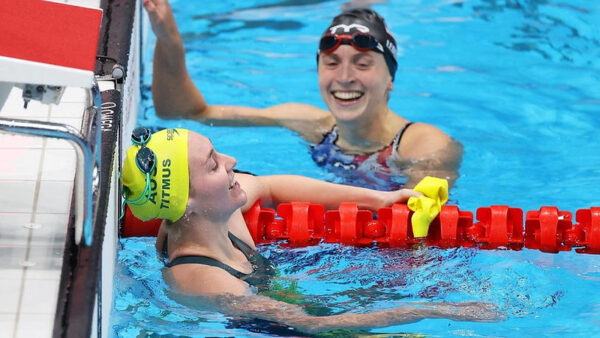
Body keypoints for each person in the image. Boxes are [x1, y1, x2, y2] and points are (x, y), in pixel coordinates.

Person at [121, 127, 499, 334]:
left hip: (285, 301)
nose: (232, 162)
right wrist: (434, 309)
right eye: (213, 165)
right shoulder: (202, 278)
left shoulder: (218, 210)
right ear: (186, 202)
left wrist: (378, 200)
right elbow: (313, 325)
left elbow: (271, 185)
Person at [142, 0, 463, 190]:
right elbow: (183, 112)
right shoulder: (312, 124)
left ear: (390, 79)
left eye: (362, 64)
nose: (345, 77)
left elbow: (416, 239)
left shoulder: (423, 145)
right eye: (332, 63)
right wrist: (169, 40)